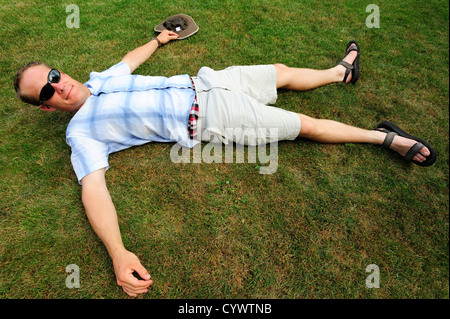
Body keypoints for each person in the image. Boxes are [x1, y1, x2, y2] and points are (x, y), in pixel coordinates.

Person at [13, 29, 436, 297]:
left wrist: (159, 41)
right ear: (46, 109)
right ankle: (385, 137)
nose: (57, 87)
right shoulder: (81, 133)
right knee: (303, 124)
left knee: (281, 72)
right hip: (213, 118)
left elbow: (130, 60)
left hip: (210, 80)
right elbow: (93, 189)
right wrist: (118, 253)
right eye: (46, 94)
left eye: (53, 77)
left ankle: (339, 73)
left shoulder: (100, 80)